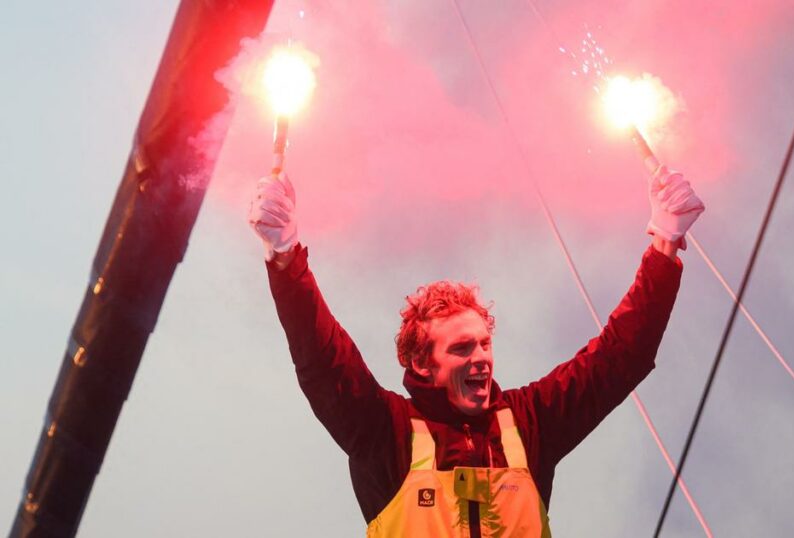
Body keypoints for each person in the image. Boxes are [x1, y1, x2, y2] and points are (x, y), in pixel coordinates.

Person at [248, 166, 704, 536]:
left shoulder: (530, 421)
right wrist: (285, 258)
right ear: (422, 364)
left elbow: (618, 357)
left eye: (484, 344)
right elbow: (325, 362)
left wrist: (664, 246)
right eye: (462, 348)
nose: (481, 358)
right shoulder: (383, 433)